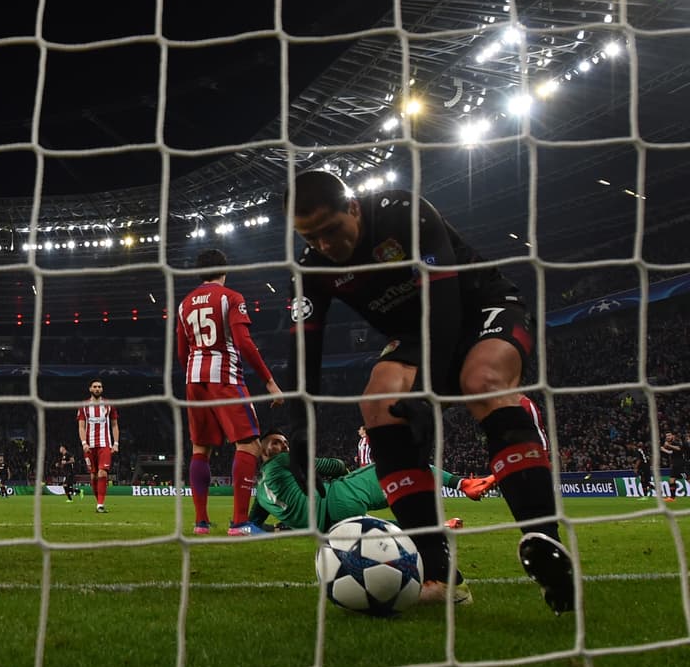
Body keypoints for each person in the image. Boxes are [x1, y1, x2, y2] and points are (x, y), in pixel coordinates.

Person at [287, 170, 573, 612]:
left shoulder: (402, 214)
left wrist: (425, 392)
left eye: (331, 230)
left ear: (354, 208)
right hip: (413, 334)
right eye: (311, 237)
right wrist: (299, 427)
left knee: (482, 382)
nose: (324, 245)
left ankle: (546, 545)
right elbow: (303, 348)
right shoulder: (311, 267)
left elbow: (444, 304)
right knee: (378, 404)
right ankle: (440, 574)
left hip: (480, 305)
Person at [177, 248, 284, 536]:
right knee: (249, 445)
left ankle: (201, 523)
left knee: (200, 448)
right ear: (225, 270)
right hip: (225, 377)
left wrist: (194, 374)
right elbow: (244, 342)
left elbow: (182, 352)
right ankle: (239, 523)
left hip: (193, 379)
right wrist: (269, 381)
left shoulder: (184, 304)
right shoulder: (231, 297)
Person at [249, 431, 494, 542]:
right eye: (277, 442)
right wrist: (341, 473)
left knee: (382, 528)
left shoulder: (259, 495)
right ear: (263, 451)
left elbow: (253, 526)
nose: (284, 446)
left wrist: (279, 528)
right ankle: (464, 484)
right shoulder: (283, 461)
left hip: (329, 530)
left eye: (285, 442)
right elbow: (333, 466)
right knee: (400, 467)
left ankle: (436, 527)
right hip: (339, 497)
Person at [77, 379, 119, 514]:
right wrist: (84, 443)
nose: (97, 389)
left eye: (99, 387)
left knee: (102, 472)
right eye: (95, 386)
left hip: (104, 444)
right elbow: (81, 427)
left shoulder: (109, 405)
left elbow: (114, 425)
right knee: (93, 476)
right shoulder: (83, 406)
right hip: (89, 446)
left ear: (102, 389)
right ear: (90, 389)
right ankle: (98, 502)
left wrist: (116, 443)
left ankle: (100, 504)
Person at [661, 432, 685, 502]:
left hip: (680, 464)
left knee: (688, 479)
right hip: (675, 465)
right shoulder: (671, 443)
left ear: (673, 436)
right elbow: (671, 452)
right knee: (671, 480)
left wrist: (668, 446)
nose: (668, 437)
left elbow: (679, 448)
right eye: (666, 436)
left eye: (669, 435)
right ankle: (672, 497)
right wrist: (664, 449)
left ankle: (672, 497)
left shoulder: (676, 442)